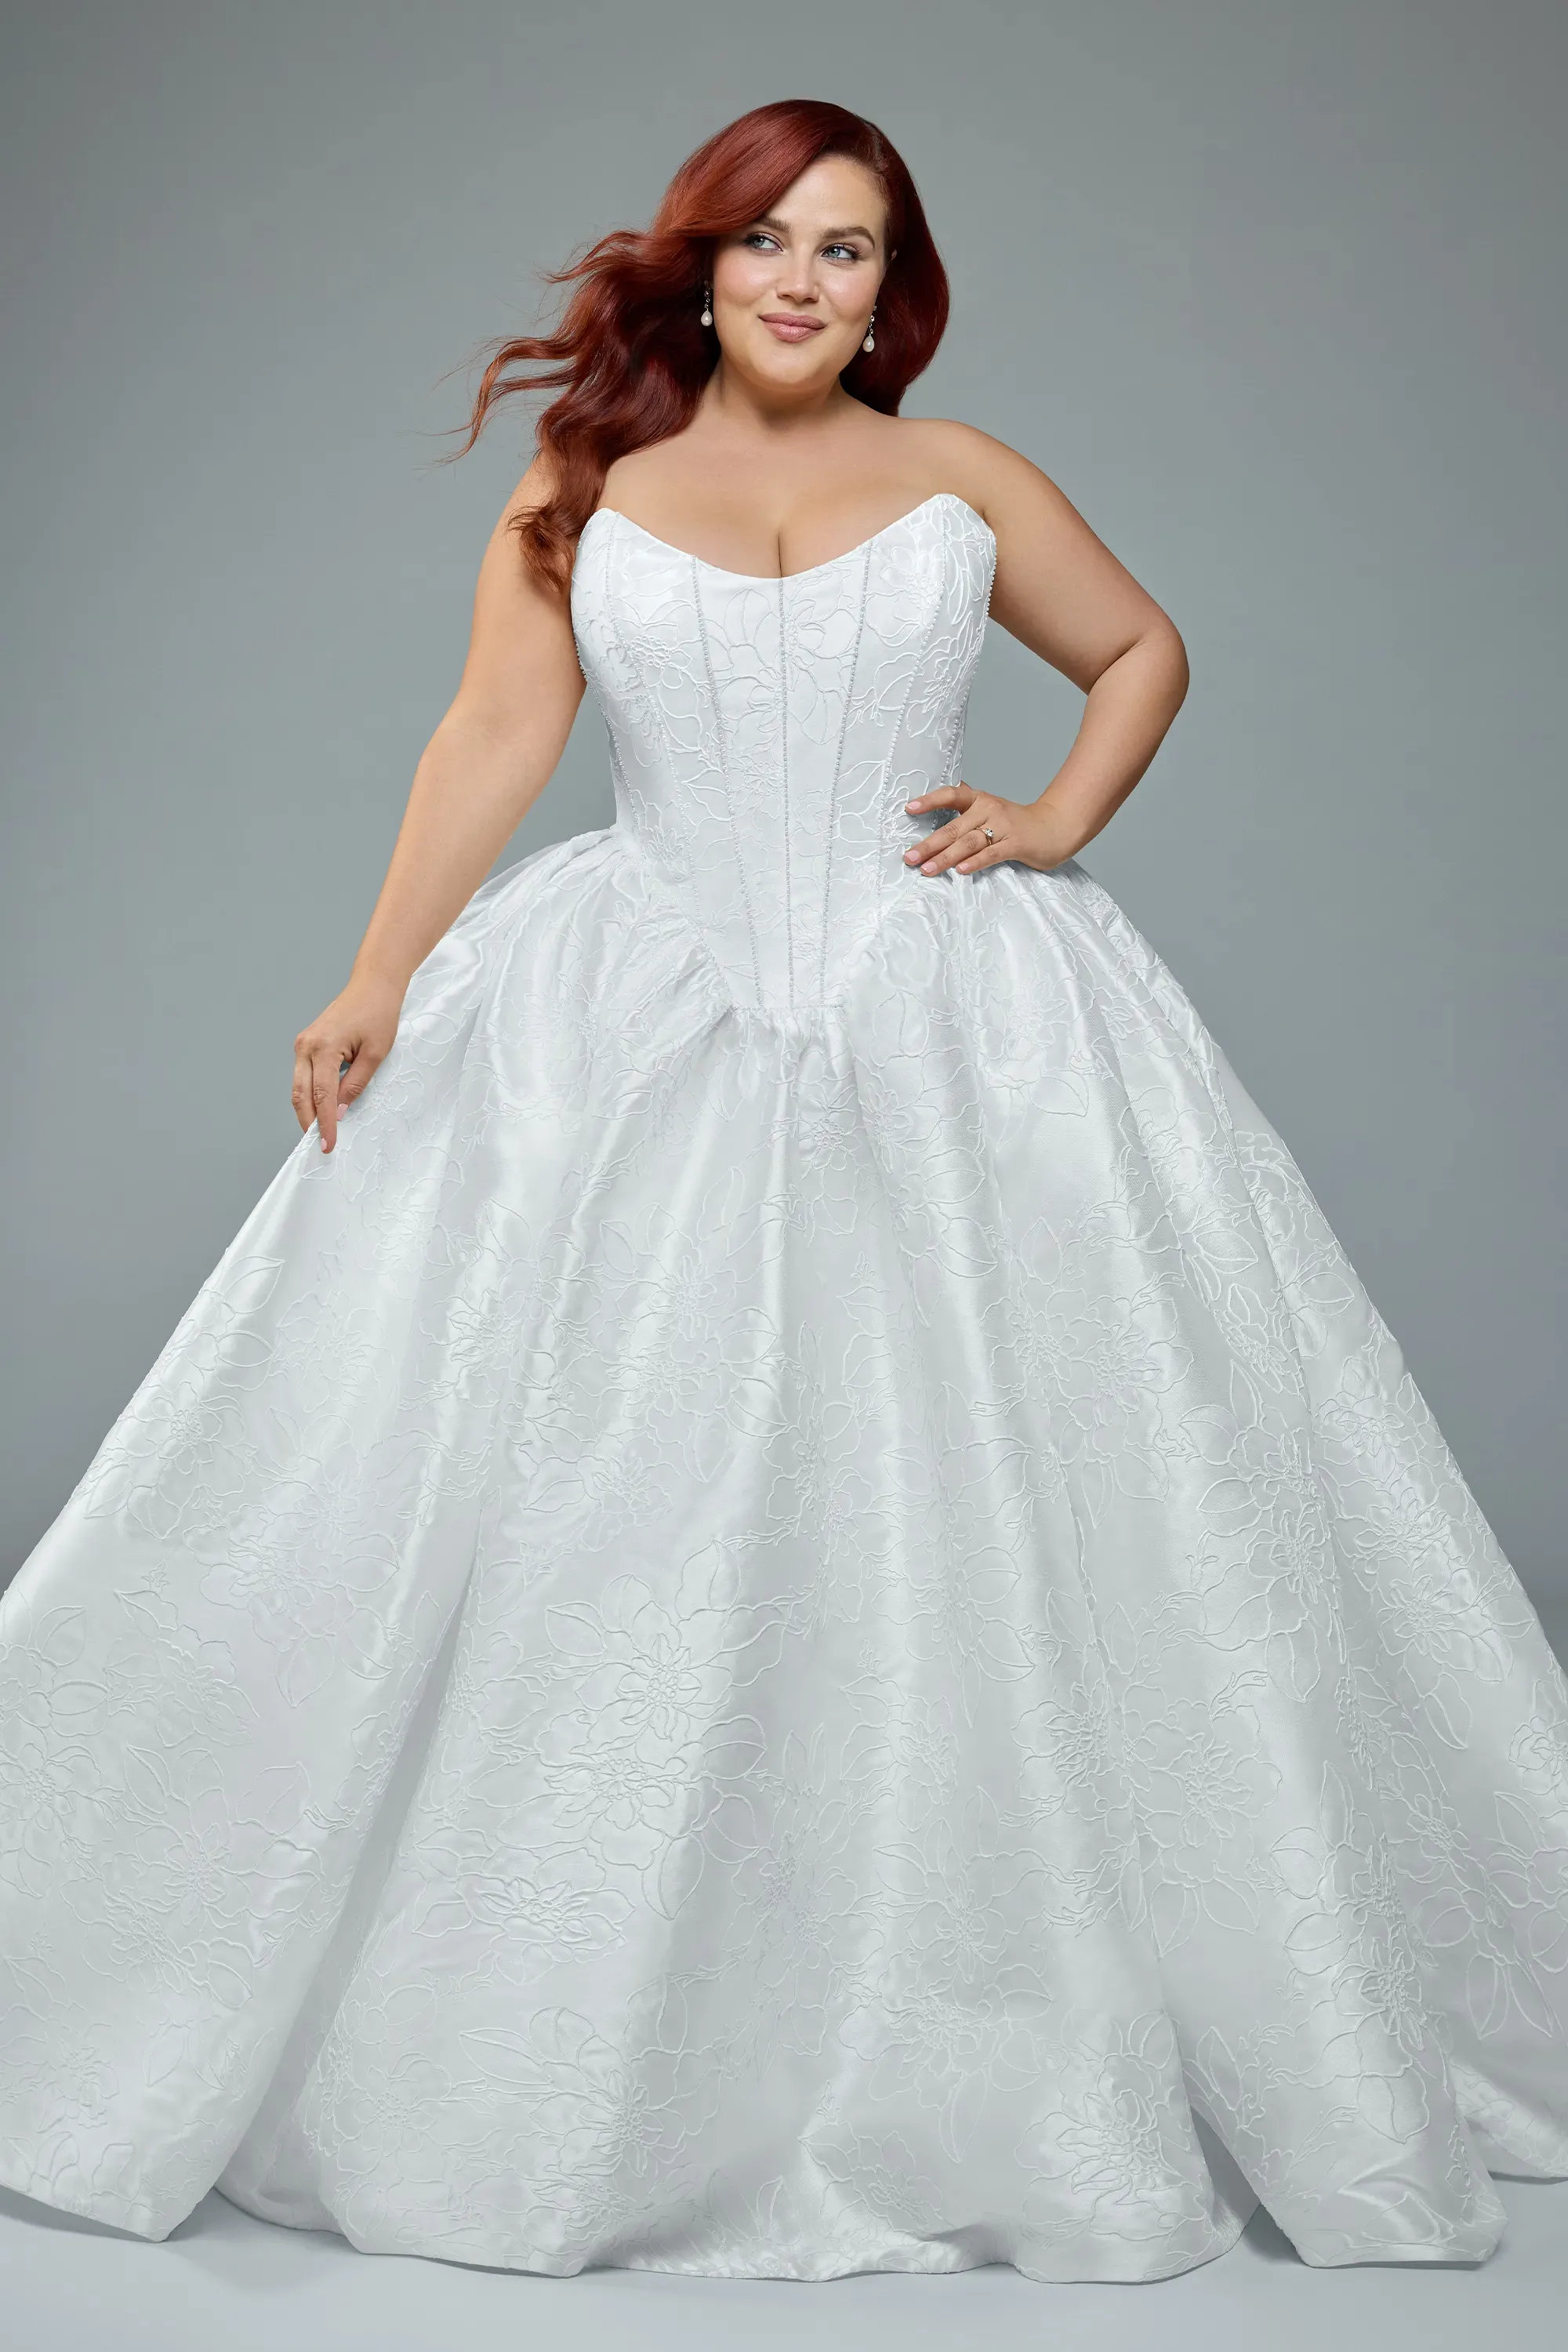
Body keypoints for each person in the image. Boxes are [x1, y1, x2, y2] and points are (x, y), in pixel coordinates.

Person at [2, 96, 1566, 2288]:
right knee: (604, 1499)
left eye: (851, 249)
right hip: (641, 1003)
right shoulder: (586, 488)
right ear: (705, 261)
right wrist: (376, 974)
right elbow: (493, 735)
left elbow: (1142, 650)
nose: (806, 282)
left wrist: (1052, 817)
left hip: (956, 1030)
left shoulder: (962, 475)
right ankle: (584, 2045)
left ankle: (999, 2039)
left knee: (1024, 1497)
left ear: (892, 286)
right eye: (770, 242)